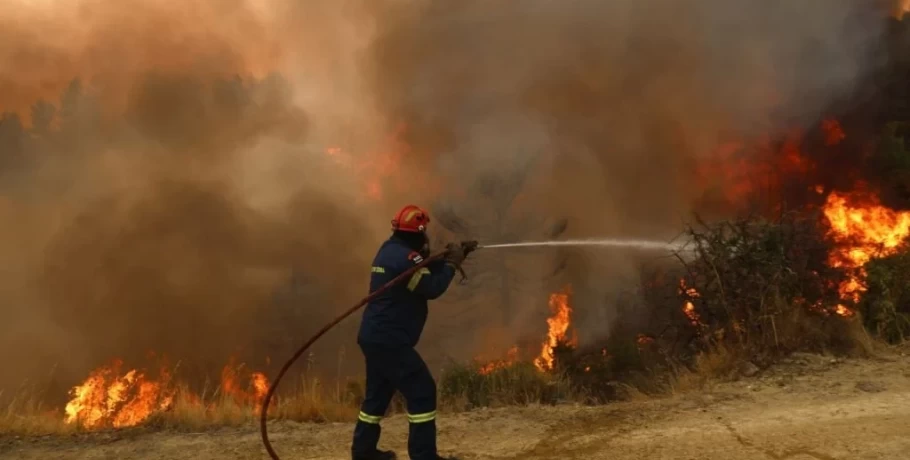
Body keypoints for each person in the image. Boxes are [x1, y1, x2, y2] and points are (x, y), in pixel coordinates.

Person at [351, 205, 469, 460]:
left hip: (373, 336)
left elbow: (419, 271)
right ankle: (424, 455)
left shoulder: (389, 250)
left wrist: (446, 258)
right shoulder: (407, 258)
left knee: (377, 397)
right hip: (390, 341)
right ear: (418, 233)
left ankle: (363, 453)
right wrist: (451, 265)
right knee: (422, 390)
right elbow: (431, 287)